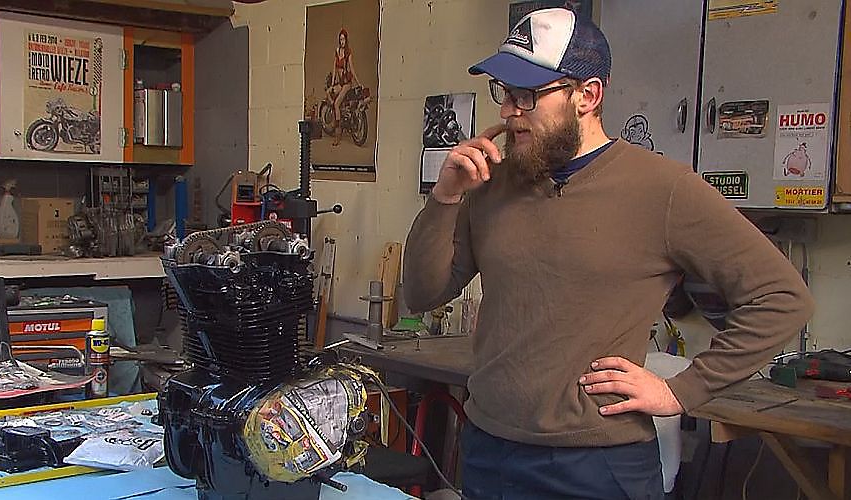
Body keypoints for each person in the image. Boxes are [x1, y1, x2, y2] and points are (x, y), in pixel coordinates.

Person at [403, 8, 813, 499]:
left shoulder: (663, 189)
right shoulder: (491, 184)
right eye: (504, 92)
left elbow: (782, 298)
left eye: (527, 94)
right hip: (489, 450)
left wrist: (681, 390)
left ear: (588, 95)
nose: (509, 111)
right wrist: (445, 196)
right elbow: (423, 294)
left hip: (597, 465)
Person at [329, 28, 360, 146]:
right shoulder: (337, 51)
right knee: (330, 93)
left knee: (336, 104)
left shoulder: (348, 53)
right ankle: (337, 119)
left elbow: (352, 68)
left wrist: (358, 82)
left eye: (344, 39)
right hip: (340, 83)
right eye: (341, 39)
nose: (342, 41)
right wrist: (333, 82)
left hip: (347, 83)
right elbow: (334, 68)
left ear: (346, 40)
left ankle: (338, 134)